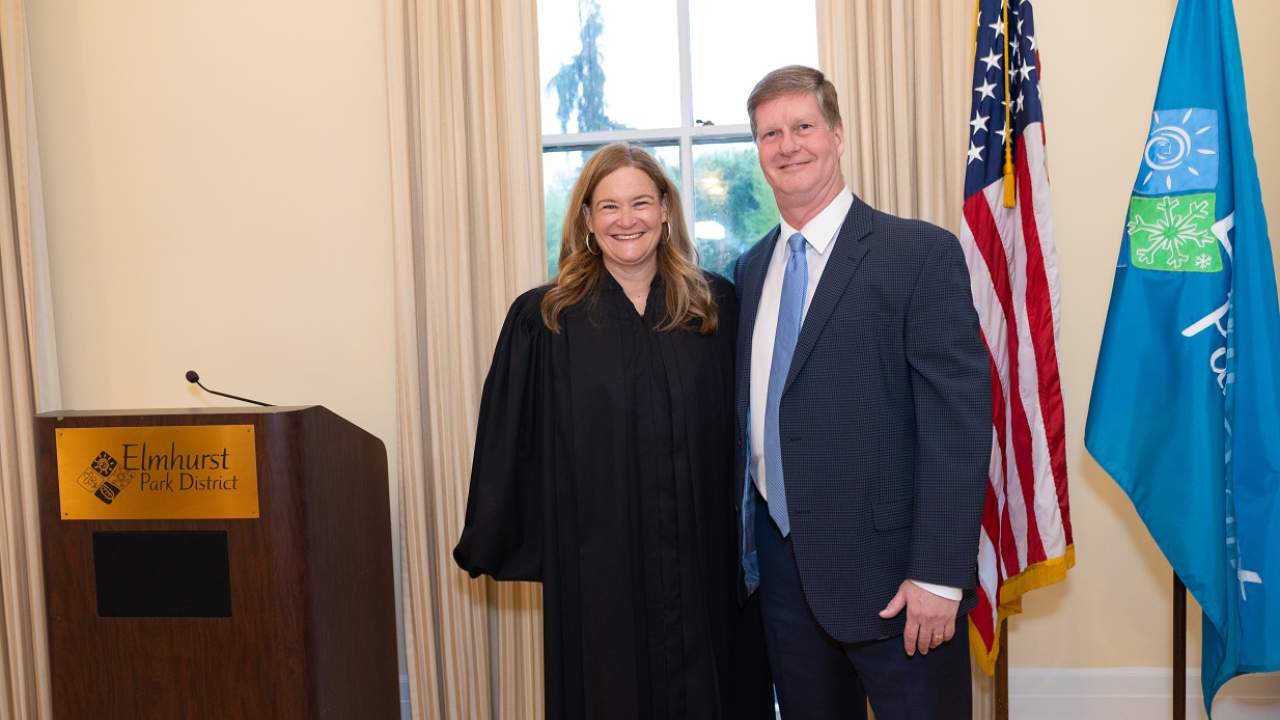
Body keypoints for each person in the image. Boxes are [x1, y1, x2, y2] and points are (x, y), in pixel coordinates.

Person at [454, 143, 773, 720]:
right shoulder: (545, 319)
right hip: (597, 572)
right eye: (609, 207)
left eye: (641, 203)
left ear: (666, 211)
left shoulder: (713, 307)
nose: (626, 220)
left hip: (704, 570)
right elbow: (507, 447)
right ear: (586, 220)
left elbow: (749, 436)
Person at [733, 65, 991, 718]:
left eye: (803, 126)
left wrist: (938, 574)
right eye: (770, 133)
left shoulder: (917, 254)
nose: (788, 145)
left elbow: (957, 423)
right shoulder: (749, 268)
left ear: (838, 134)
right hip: (784, 580)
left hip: (898, 584)